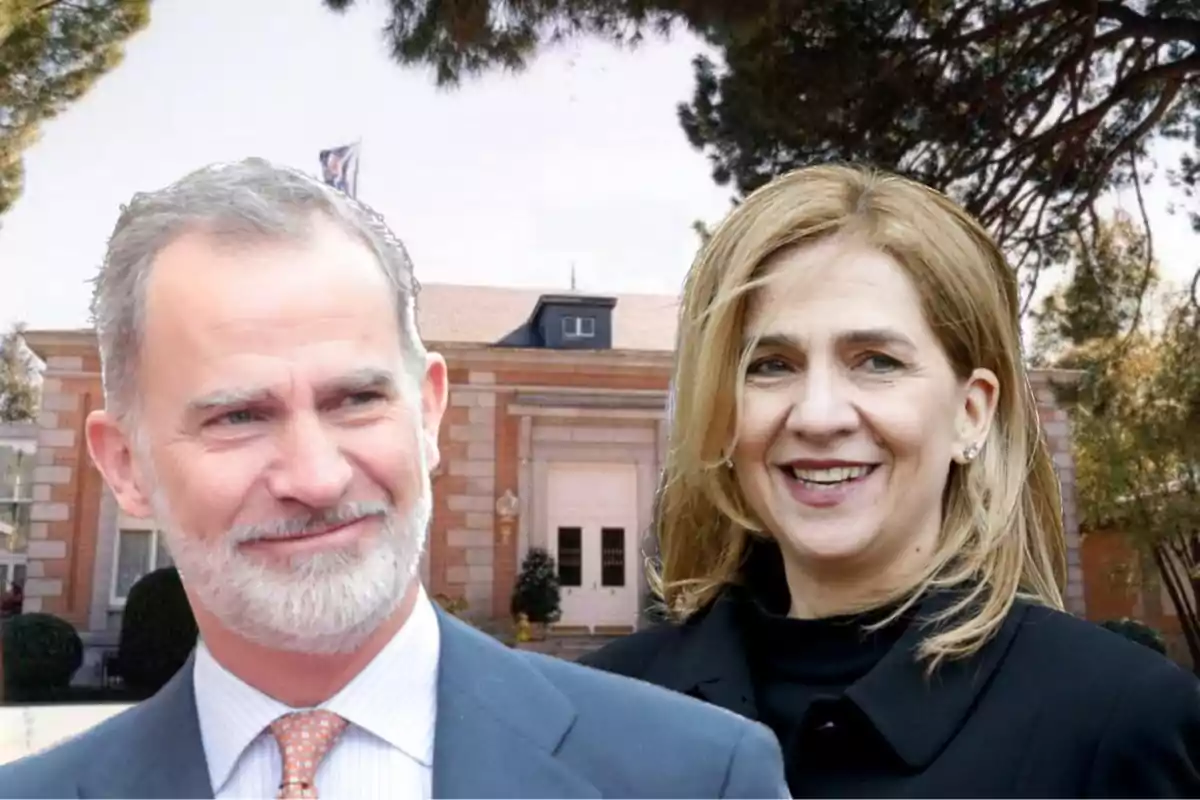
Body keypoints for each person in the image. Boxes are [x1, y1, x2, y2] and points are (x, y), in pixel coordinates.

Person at [0, 159, 788, 800]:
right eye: (238, 416)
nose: (314, 477)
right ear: (126, 467)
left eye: (356, 399)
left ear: (430, 415)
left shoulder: (698, 776)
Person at [580, 164, 1200, 797]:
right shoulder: (605, 710)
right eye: (770, 365)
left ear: (971, 412)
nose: (818, 415)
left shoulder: (1117, 721)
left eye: (877, 362)